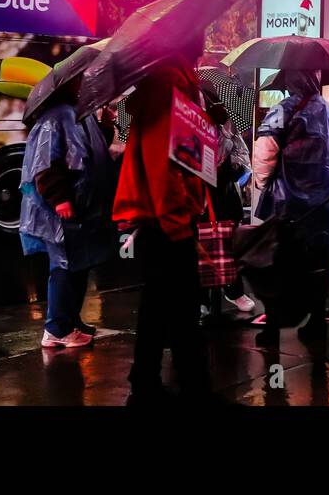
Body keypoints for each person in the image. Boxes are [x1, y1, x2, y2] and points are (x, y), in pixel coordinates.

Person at [113, 47, 214, 405]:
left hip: (163, 218)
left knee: (158, 307)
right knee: (183, 310)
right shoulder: (168, 87)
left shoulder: (175, 83)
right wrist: (178, 223)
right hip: (166, 220)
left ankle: (145, 382)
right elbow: (163, 168)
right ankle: (194, 388)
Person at [251, 68, 329, 347]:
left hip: (291, 205)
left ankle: (272, 330)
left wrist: (263, 184)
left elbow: (265, 151)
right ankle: (317, 323)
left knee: (279, 265)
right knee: (319, 267)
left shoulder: (284, 109)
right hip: (327, 203)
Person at [20, 75, 117, 348]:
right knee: (64, 266)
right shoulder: (56, 117)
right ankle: (57, 329)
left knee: (78, 264)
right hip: (62, 211)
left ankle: (70, 320)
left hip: (81, 208)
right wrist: (59, 198)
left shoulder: (77, 114)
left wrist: (106, 125)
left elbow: (90, 149)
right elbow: (46, 165)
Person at [201, 96, 254, 320]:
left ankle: (233, 290)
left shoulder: (227, 127)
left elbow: (243, 158)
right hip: (200, 196)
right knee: (200, 249)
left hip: (226, 196)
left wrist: (231, 168)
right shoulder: (190, 125)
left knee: (229, 246)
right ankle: (201, 298)